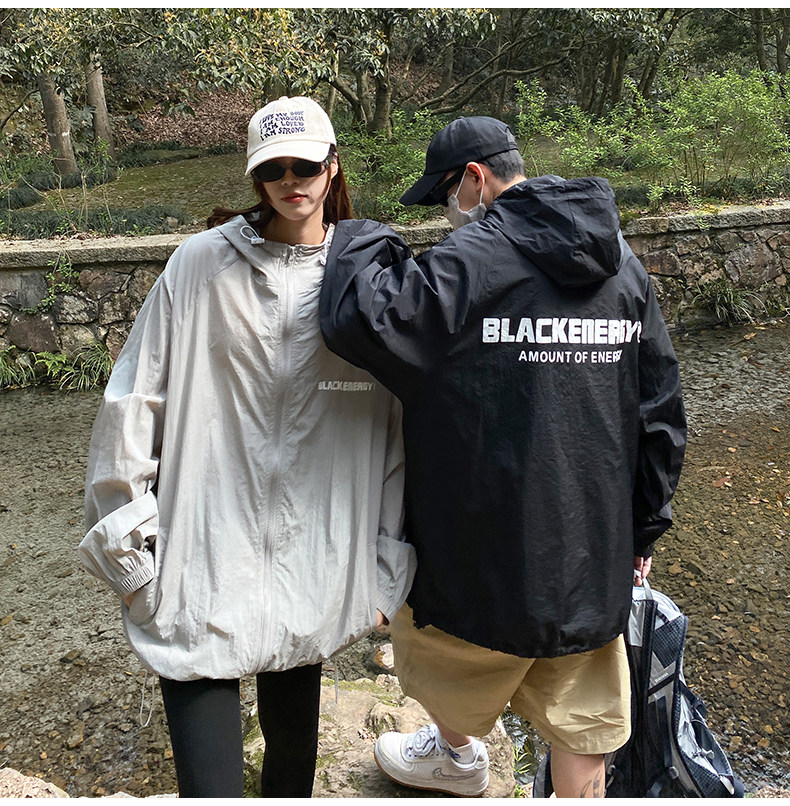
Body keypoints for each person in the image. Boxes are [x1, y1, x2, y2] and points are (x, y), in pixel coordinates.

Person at [319, 116, 686, 797]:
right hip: (589, 553)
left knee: (435, 655)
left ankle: (456, 757)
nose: (446, 212)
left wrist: (360, 236)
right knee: (583, 720)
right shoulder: (624, 265)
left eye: (444, 196)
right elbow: (660, 410)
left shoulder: (469, 261)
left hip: (480, 549)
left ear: (475, 178)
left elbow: (362, 320)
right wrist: (643, 527)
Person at [78, 96, 415, 798]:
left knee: (290, 777)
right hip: (197, 569)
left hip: (313, 570)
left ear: (332, 167)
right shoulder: (199, 266)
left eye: (304, 166)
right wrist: (133, 562)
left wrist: (385, 572)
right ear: (256, 176)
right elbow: (133, 404)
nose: (290, 181)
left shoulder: (365, 281)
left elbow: (391, 430)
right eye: (272, 169)